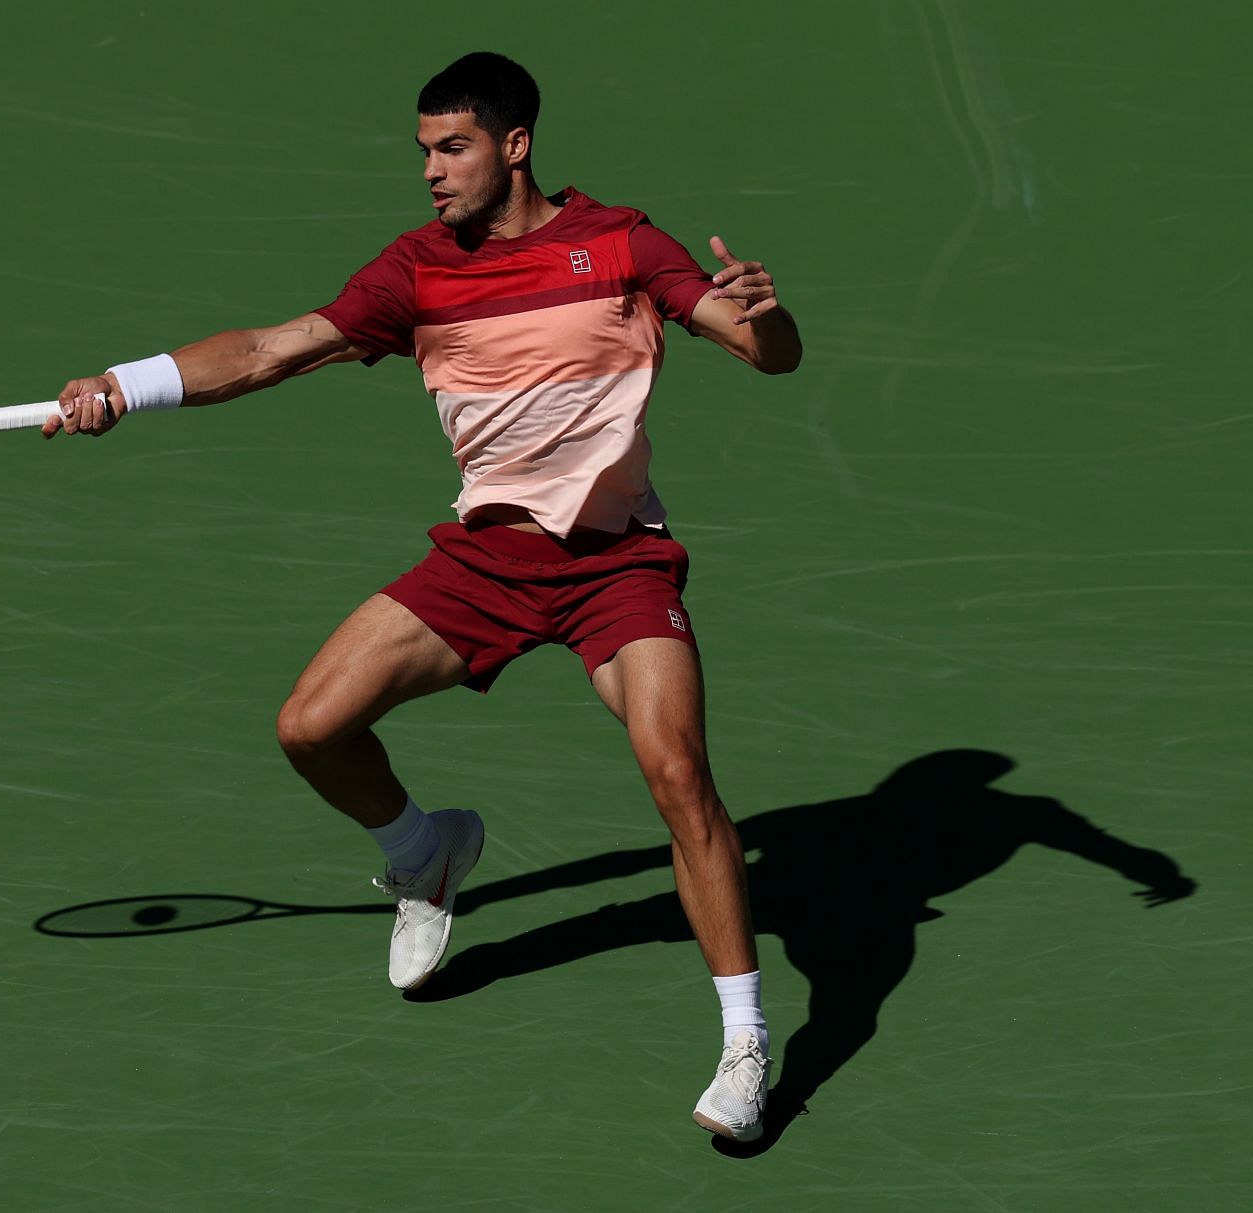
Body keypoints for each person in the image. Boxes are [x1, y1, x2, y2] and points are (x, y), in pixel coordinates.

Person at [45, 51, 802, 1142]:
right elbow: (270, 350)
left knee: (679, 773)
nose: (433, 172)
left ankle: (744, 1041)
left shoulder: (624, 243)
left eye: (452, 149)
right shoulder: (416, 270)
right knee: (311, 725)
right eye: (425, 153)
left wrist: (765, 317)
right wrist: (127, 383)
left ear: (515, 144)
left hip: (615, 565)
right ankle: (422, 850)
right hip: (488, 563)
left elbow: (764, 354)